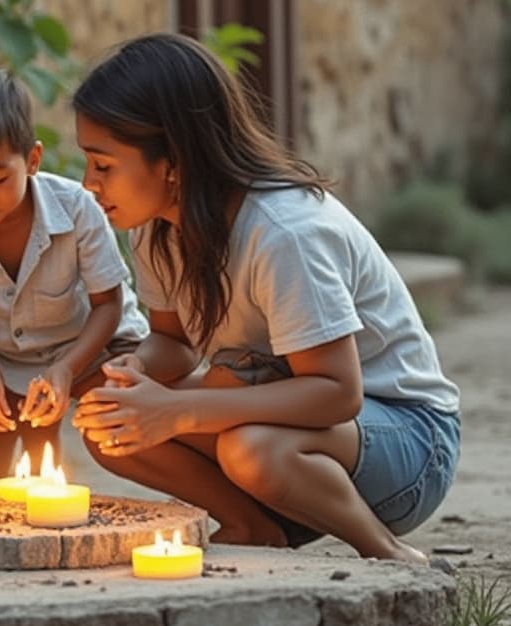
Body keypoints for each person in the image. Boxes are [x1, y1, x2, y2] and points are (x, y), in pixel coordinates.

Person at [70, 32, 460, 564]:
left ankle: (388, 552)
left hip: (406, 443)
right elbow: (174, 343)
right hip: (295, 431)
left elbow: (336, 392)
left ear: (173, 162)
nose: (89, 183)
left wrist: (179, 410)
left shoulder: (284, 232)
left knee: (249, 448)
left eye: (104, 165)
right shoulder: (157, 227)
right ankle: (252, 525)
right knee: (115, 425)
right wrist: (134, 374)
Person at [0, 65, 148, 482]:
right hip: (5, 360)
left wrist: (67, 369)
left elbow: (108, 305)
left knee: (102, 410)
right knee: (2, 431)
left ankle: (48, 493)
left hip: (95, 345)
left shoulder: (76, 208)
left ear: (32, 160)